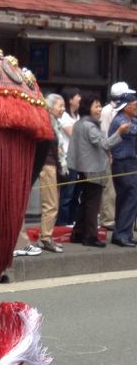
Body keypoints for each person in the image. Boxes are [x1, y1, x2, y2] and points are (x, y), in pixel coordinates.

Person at [67, 95, 130, 247]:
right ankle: (90, 236)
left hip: (83, 167)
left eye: (100, 105)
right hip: (93, 168)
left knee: (86, 202)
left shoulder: (80, 123)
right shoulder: (90, 126)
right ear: (88, 107)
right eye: (96, 106)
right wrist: (119, 132)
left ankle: (78, 232)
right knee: (93, 203)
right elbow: (105, 144)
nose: (99, 109)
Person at [99, 82, 132, 230]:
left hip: (117, 153)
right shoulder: (107, 111)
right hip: (110, 152)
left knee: (119, 191)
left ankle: (119, 221)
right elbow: (106, 133)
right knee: (109, 190)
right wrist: (109, 154)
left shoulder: (122, 113)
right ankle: (108, 219)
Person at [37, 93, 66, 253]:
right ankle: (46, 238)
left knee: (53, 202)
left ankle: (45, 235)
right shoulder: (46, 120)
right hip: (47, 165)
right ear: (50, 105)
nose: (63, 109)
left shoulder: (54, 122)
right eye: (60, 106)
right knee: (51, 204)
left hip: (54, 165)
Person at [108, 91, 137, 247]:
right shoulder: (120, 120)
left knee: (126, 198)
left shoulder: (130, 119)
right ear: (126, 107)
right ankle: (121, 234)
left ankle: (124, 233)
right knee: (130, 197)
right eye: (135, 105)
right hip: (123, 163)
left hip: (130, 162)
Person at [57, 87, 82, 225]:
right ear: (70, 99)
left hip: (77, 158)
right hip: (67, 158)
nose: (79, 98)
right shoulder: (64, 117)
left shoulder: (76, 116)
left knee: (75, 193)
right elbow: (74, 135)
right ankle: (62, 222)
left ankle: (71, 220)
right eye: (77, 96)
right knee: (67, 192)